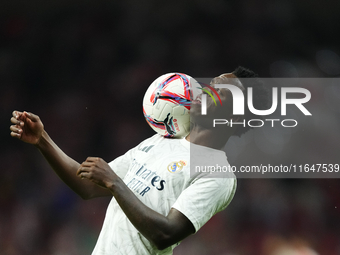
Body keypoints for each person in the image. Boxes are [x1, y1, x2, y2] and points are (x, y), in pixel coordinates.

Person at [9, 66, 268, 254]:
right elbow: (87, 186)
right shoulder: (162, 139)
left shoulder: (217, 174)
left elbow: (165, 234)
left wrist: (115, 183)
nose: (206, 90)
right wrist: (43, 140)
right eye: (212, 83)